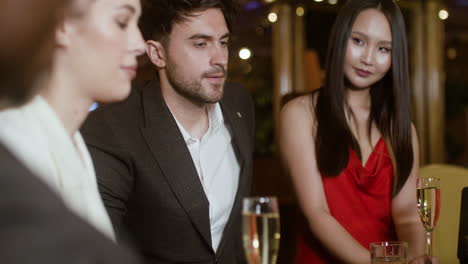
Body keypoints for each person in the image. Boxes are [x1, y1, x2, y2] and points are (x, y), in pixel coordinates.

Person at [81, 0, 255, 262]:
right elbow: (100, 247)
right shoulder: (112, 129)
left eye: (223, 42)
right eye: (200, 44)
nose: (220, 59)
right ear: (157, 54)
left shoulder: (239, 103)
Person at [280, 0, 435, 263]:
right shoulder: (299, 114)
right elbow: (316, 213)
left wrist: (415, 258)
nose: (368, 58)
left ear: (394, 58)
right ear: (340, 38)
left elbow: (408, 213)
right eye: (359, 41)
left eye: (383, 49)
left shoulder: (402, 128)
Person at [0, 0, 141, 263]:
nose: (140, 43)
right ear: (63, 25)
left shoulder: (71, 138)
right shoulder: (17, 143)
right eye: (122, 22)